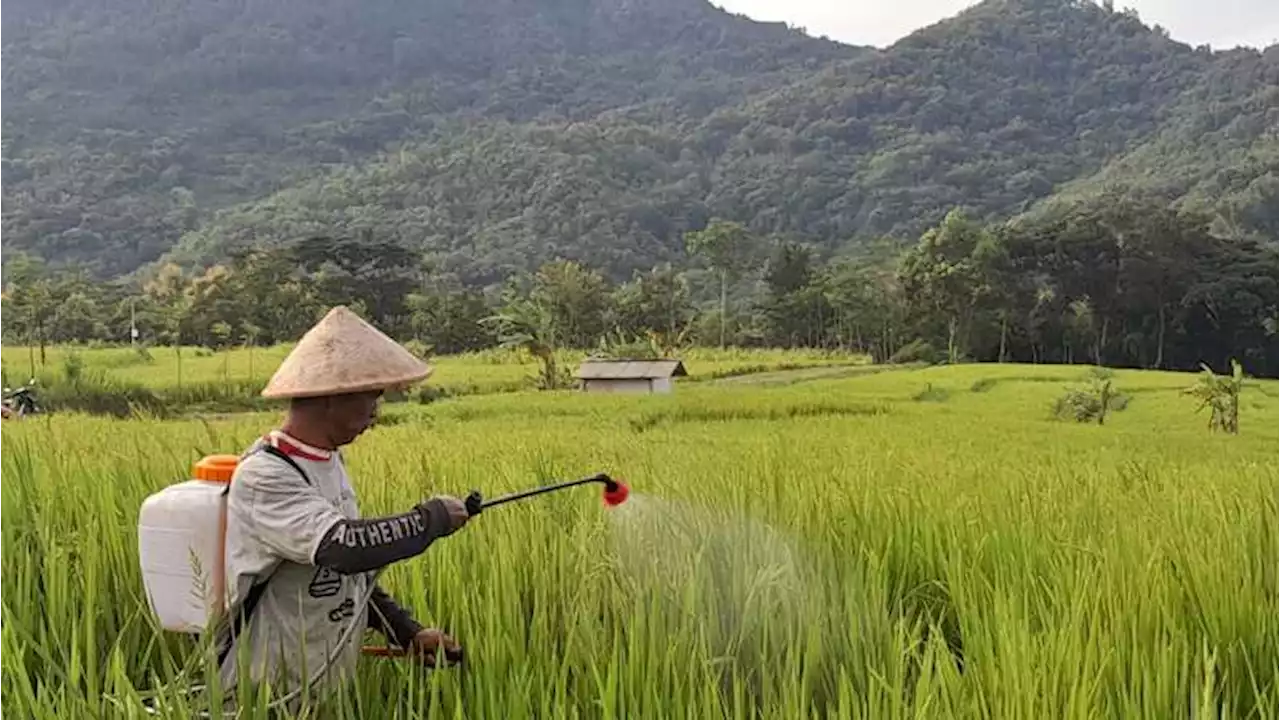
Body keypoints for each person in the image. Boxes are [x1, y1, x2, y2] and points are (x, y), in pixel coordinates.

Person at [215, 305, 474, 708]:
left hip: (318, 683)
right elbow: (343, 547)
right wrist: (431, 519)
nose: (375, 414)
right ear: (331, 398)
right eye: (372, 397)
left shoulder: (327, 461)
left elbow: (345, 576)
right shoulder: (266, 474)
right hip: (262, 689)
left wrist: (404, 631)